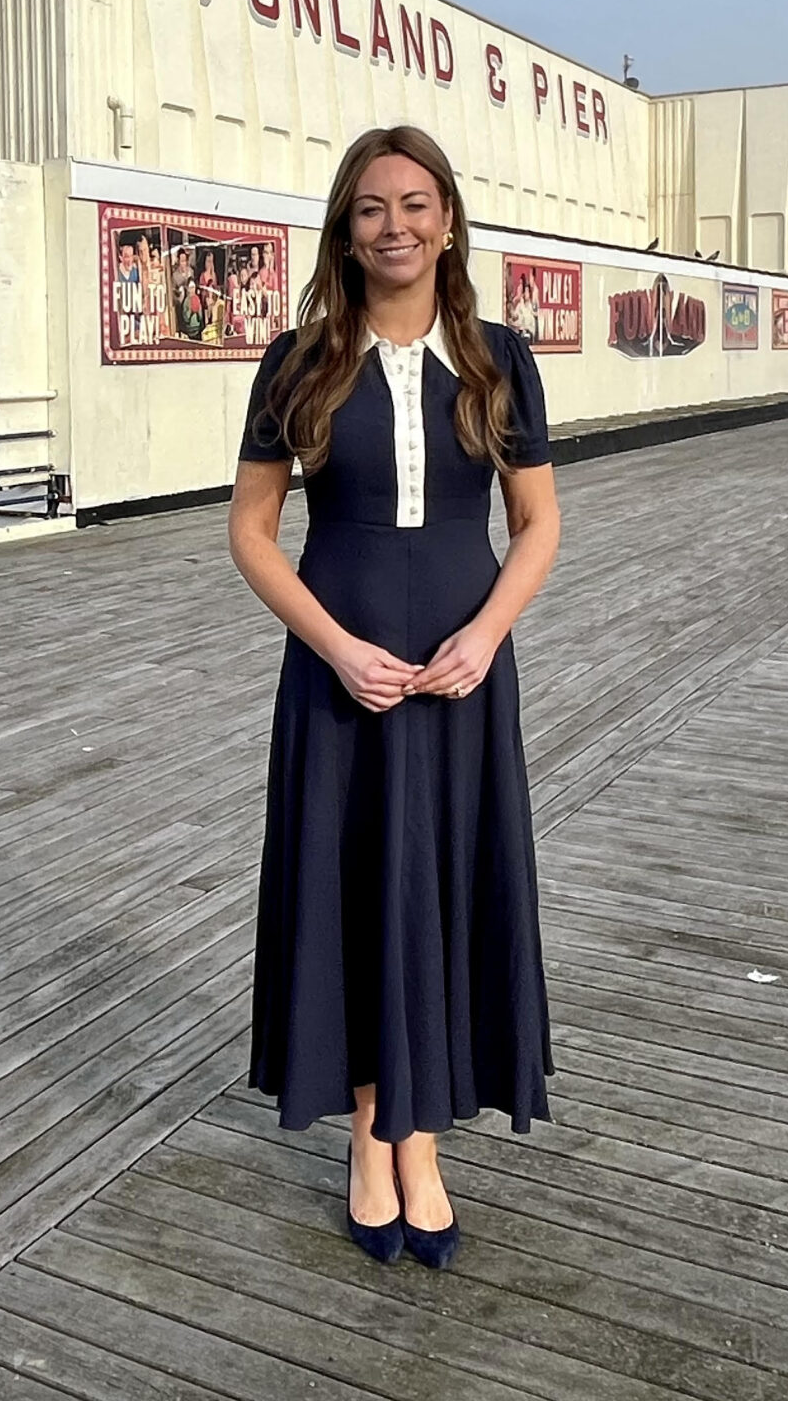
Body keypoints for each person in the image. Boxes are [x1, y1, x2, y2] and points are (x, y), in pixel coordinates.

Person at [229, 124, 563, 1272]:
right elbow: (252, 532)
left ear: (450, 221)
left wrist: (486, 633)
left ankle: (424, 1141)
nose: (396, 226)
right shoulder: (298, 360)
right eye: (372, 208)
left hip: (463, 673)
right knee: (358, 887)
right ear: (346, 228)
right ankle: (373, 1137)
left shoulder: (498, 359)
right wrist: (332, 647)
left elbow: (538, 523)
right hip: (341, 676)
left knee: (447, 888)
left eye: (416, 205)